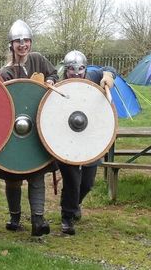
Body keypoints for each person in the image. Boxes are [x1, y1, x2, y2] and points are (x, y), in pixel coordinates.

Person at [0, 20, 56, 236]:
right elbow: (2, 101)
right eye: (18, 41)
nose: (23, 45)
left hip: (37, 126)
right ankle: (14, 217)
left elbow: (54, 74)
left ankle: (38, 219)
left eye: (26, 40)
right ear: (11, 44)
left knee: (37, 173)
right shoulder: (6, 71)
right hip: (14, 129)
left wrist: (49, 80)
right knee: (14, 175)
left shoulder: (38, 59)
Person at [56, 50, 114, 236]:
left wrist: (107, 75)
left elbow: (110, 68)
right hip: (67, 137)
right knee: (72, 180)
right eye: (72, 70)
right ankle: (67, 217)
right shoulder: (60, 85)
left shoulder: (93, 76)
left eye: (80, 69)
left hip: (90, 136)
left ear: (85, 68)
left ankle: (75, 204)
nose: (76, 73)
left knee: (87, 182)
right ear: (66, 70)